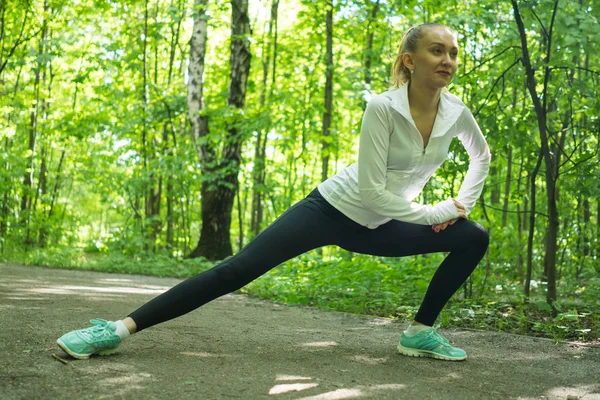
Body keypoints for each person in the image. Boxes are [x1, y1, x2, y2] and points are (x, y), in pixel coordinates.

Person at [57, 22, 491, 362]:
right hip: (331, 210)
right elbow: (372, 192)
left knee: (473, 236)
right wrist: (435, 212)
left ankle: (419, 333)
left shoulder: (455, 111)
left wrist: (460, 206)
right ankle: (115, 331)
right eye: (437, 50)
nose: (448, 59)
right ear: (409, 60)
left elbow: (481, 156)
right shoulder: (383, 108)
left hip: (385, 223)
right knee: (235, 271)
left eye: (453, 52)